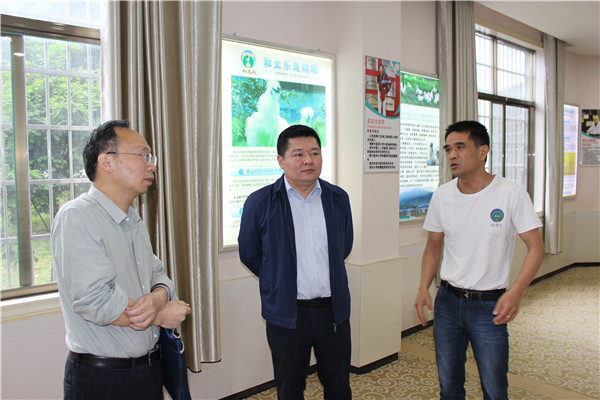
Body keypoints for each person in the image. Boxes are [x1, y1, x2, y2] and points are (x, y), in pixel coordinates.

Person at [51, 120, 191, 400]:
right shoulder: (77, 216)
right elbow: (97, 301)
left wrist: (159, 296)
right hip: (103, 378)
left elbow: (158, 274)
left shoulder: (132, 219)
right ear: (106, 162)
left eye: (151, 157)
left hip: (147, 369)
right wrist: (160, 315)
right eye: (142, 155)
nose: (151, 166)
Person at [414, 120, 545, 400]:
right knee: (449, 385)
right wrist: (424, 286)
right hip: (447, 302)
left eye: (460, 147)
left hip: (489, 306)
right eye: (448, 149)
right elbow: (433, 247)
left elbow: (536, 247)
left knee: (494, 388)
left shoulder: (510, 194)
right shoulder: (443, 195)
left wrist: (516, 292)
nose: (452, 155)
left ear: (483, 151)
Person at [238, 124, 354, 400]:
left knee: (338, 386)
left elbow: (344, 246)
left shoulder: (338, 198)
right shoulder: (260, 202)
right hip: (287, 315)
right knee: (290, 389)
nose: (308, 160)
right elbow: (250, 254)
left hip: (333, 313)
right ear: (281, 160)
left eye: (314, 153)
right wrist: (278, 279)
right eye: (298, 154)